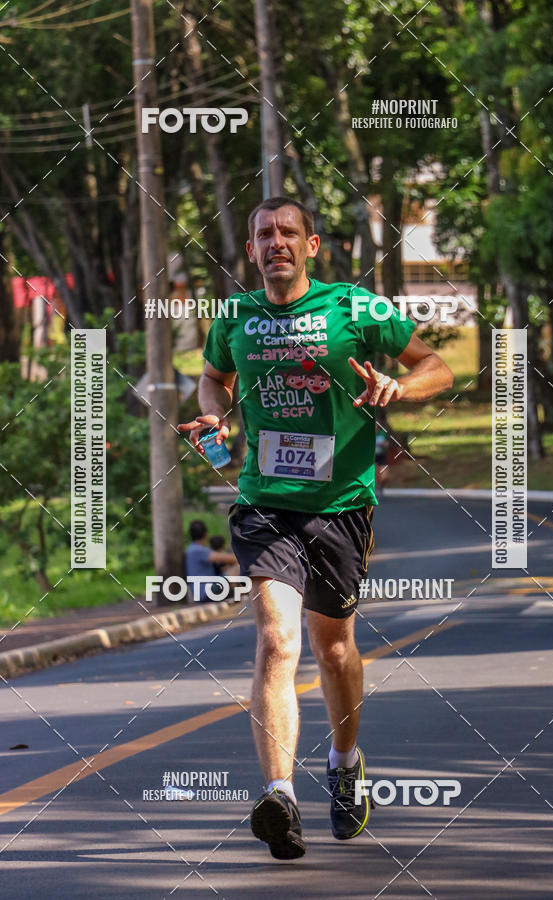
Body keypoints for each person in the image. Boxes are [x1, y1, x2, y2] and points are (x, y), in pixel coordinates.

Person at [178, 196, 453, 860]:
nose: (276, 241)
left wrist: (397, 388)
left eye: (288, 232)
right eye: (263, 233)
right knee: (277, 641)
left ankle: (345, 759)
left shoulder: (357, 310)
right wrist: (213, 416)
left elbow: (438, 368)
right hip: (264, 501)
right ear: (250, 252)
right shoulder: (234, 317)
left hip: (341, 505)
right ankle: (279, 795)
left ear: (311, 245)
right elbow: (212, 381)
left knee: (334, 651)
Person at [184, 520, 237, 602]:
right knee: (238, 567)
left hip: (202, 593)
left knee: (226, 570)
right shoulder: (198, 550)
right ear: (206, 534)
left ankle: (234, 594)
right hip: (206, 593)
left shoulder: (191, 549)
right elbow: (230, 558)